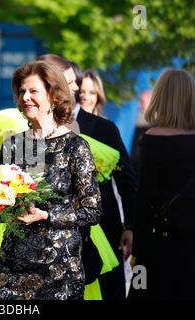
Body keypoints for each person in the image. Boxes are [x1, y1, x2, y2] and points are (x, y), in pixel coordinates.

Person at [0, 61, 102, 300]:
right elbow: (3, 204)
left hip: (58, 272)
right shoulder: (12, 145)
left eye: (33, 91)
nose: (25, 97)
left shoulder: (75, 147)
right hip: (12, 268)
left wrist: (48, 216)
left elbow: (92, 211)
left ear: (53, 96)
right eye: (22, 92)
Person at [37, 54, 137, 300]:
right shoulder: (33, 127)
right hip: (52, 236)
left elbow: (127, 181)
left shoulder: (104, 128)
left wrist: (131, 226)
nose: (78, 91)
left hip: (102, 229)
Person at [128, 69, 195, 300]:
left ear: (161, 97)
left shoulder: (151, 139)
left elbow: (143, 198)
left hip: (158, 243)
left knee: (146, 291)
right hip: (190, 245)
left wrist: (137, 252)